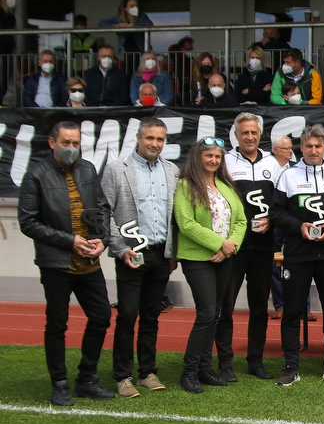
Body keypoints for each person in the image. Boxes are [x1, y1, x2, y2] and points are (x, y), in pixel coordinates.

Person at [18, 121, 115, 405]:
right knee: (57, 324)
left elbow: (102, 208)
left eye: (75, 143)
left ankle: (87, 378)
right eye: (65, 143)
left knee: (101, 317)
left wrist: (102, 240)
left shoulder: (87, 169)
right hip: (57, 263)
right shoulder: (36, 174)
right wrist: (69, 240)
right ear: (52, 143)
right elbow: (27, 221)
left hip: (89, 262)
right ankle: (59, 383)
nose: (71, 148)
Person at [101, 118, 180, 397]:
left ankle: (147, 372)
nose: (155, 144)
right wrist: (121, 248)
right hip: (131, 254)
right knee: (127, 315)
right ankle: (122, 376)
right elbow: (105, 212)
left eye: (160, 139)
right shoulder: (116, 170)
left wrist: (173, 253)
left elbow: (175, 217)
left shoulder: (172, 171)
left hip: (160, 254)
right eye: (150, 138)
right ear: (138, 137)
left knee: (151, 315)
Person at [270, 124, 324, 386]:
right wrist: (299, 226)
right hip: (297, 254)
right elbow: (276, 213)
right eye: (308, 146)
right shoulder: (288, 176)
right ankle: (291, 366)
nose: (313, 150)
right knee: (293, 311)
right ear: (301, 148)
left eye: (318, 146)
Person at [173, 137, 246, 393]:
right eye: (208, 156)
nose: (213, 160)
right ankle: (189, 371)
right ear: (197, 157)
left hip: (225, 258)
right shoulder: (185, 186)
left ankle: (205, 369)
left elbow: (240, 221)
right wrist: (218, 244)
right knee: (205, 314)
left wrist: (229, 247)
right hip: (197, 258)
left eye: (217, 156)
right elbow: (187, 224)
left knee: (215, 315)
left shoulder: (225, 186)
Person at [214, 113, 281, 382]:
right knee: (225, 306)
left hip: (263, 247)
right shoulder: (225, 162)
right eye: (245, 133)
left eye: (254, 132)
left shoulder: (272, 162)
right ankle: (225, 362)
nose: (250, 137)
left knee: (258, 307)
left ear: (259, 134)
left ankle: (256, 360)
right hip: (233, 246)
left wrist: (271, 219)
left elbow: (280, 200)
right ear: (236, 135)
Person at [269, 134, 294, 321]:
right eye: (286, 148)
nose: (291, 151)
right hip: (273, 226)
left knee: (297, 264)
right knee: (275, 265)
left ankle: (302, 307)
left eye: (292, 148)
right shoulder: (266, 169)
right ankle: (280, 305)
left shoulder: (296, 170)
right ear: (275, 149)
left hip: (293, 225)